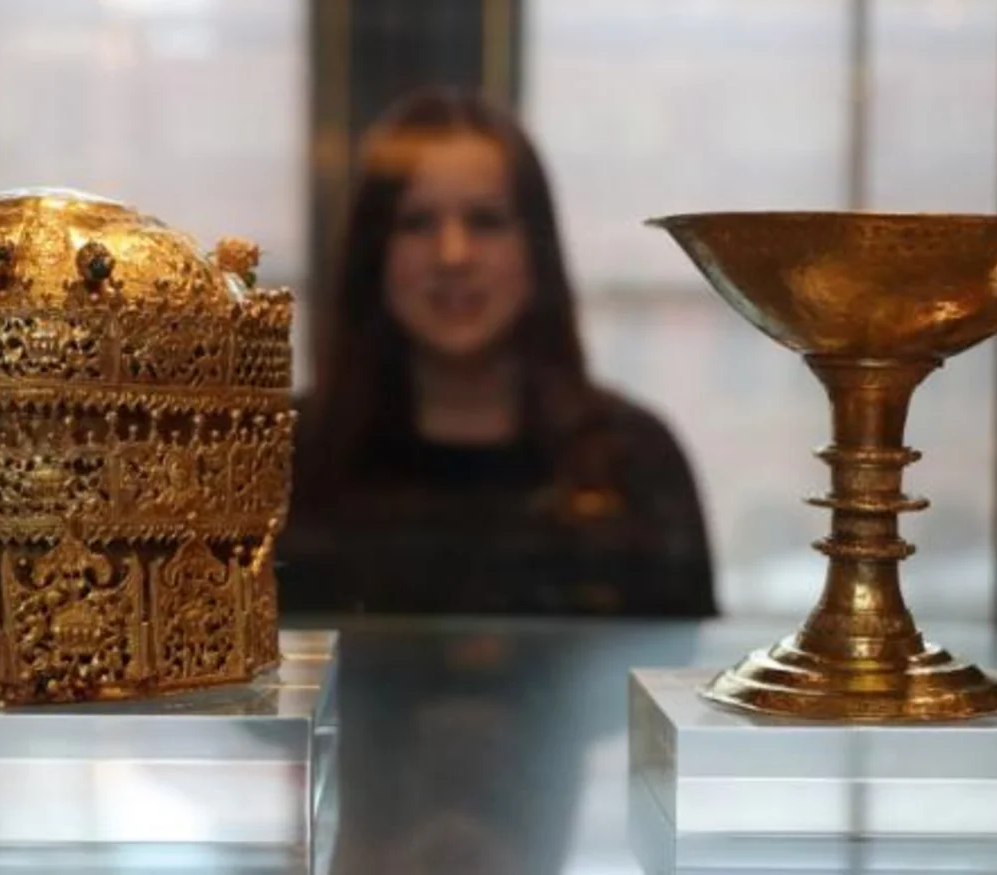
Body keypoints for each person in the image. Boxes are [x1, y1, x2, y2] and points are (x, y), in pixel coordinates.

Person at [276, 87, 716, 617]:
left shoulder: (636, 461)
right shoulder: (286, 458)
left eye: (485, 221)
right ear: (372, 254)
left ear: (536, 247)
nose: (453, 255)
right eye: (416, 223)